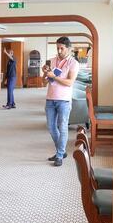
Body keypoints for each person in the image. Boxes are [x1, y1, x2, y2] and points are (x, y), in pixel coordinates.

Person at [44, 37, 79, 166]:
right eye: (57, 48)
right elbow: (45, 81)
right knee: (51, 127)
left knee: (62, 127)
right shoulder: (52, 61)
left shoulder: (73, 63)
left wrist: (55, 76)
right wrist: (46, 73)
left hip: (64, 100)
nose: (59, 50)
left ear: (68, 48)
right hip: (50, 98)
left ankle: (59, 155)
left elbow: (70, 82)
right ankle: (62, 151)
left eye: (61, 48)